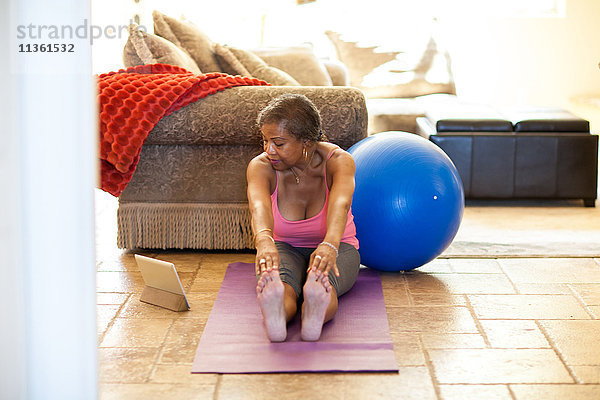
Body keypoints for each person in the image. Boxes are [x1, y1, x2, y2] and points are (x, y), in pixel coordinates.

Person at [246, 93, 360, 342]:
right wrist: (264, 241)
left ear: (306, 143)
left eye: (279, 143)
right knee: (284, 284)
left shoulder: (339, 162)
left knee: (323, 282)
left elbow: (341, 205)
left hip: (339, 246)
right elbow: (258, 207)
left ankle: (314, 309)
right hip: (284, 247)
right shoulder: (261, 166)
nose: (269, 150)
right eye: (265, 141)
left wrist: (329, 245)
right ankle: (277, 311)